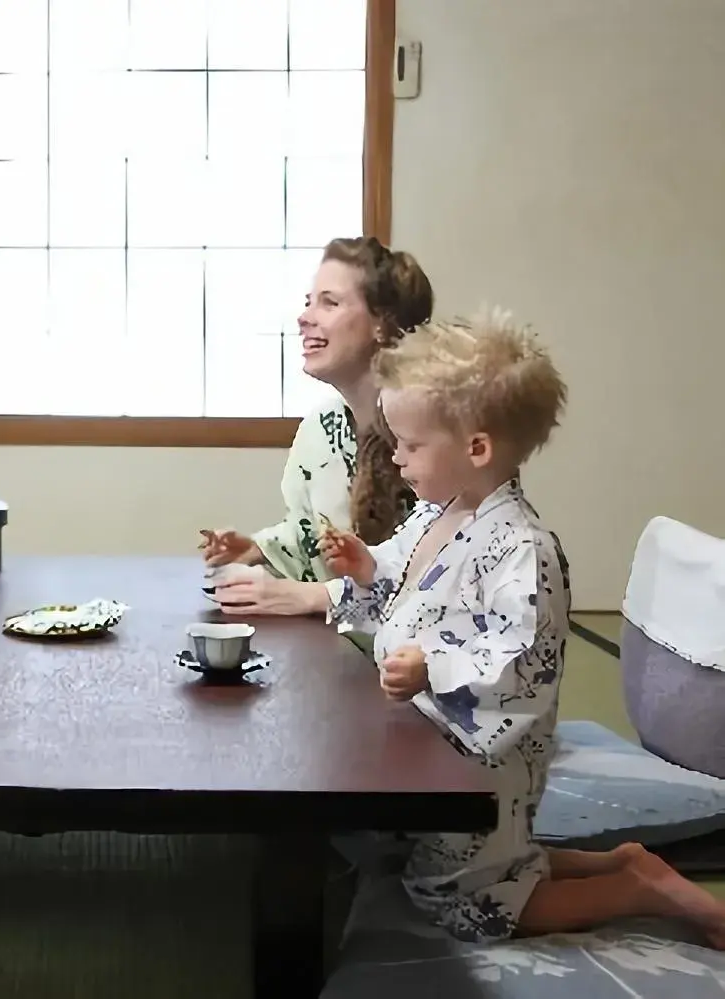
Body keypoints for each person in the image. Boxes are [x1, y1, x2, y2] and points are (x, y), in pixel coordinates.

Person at [321, 309, 725, 946]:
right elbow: (402, 573)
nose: (395, 456)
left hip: (483, 758)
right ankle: (626, 862)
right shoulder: (439, 512)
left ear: (476, 448)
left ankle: (634, 891)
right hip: (432, 740)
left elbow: (518, 661)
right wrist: (365, 565)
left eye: (411, 443)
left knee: (462, 897)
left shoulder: (522, 548)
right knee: (494, 862)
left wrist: (433, 667)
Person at [200, 236, 431, 620]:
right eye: (309, 302)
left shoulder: (435, 426)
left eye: (330, 302)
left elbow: (444, 571)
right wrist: (258, 550)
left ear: (382, 323)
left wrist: (313, 597)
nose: (305, 317)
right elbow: (312, 529)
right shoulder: (323, 427)